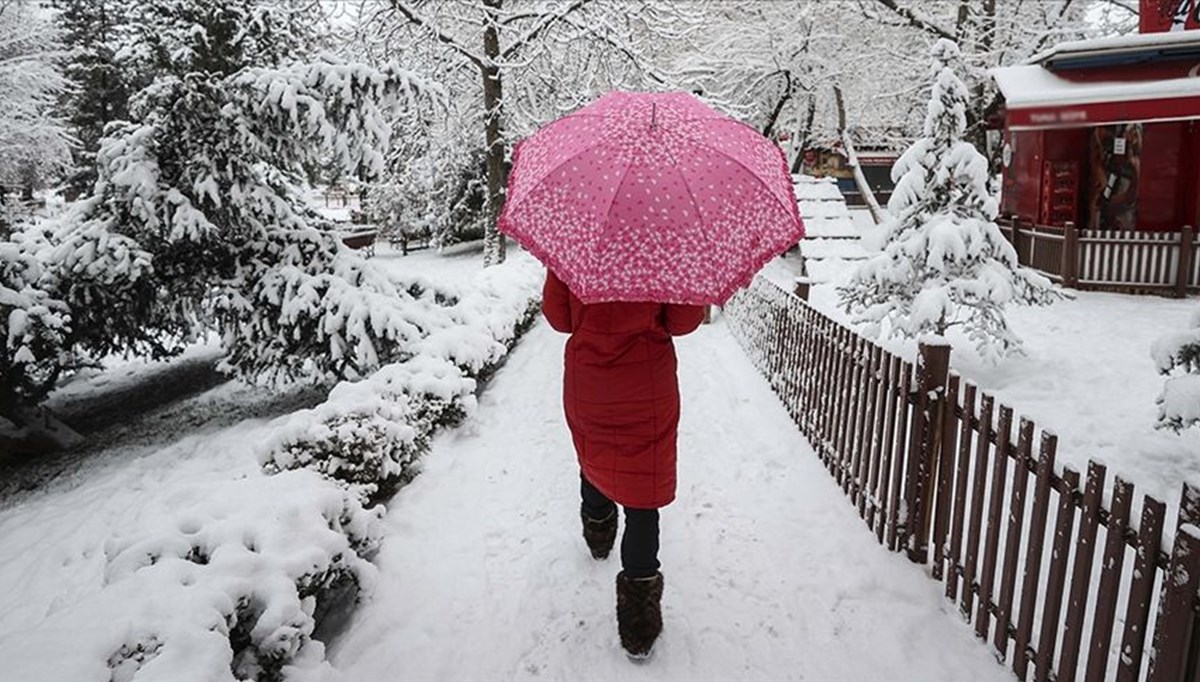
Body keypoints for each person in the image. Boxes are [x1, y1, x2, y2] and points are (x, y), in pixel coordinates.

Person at [541, 268, 706, 659]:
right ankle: (639, 623)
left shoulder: (575, 246)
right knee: (643, 490)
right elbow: (684, 323)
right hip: (647, 385)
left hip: (589, 382)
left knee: (594, 455)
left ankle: (598, 533)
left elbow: (558, 318)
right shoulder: (663, 251)